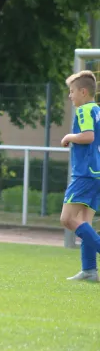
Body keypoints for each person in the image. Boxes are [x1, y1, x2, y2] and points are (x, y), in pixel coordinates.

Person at [59, 70, 100, 282]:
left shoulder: (84, 110)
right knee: (85, 221)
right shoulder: (98, 111)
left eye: (72, 91)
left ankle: (90, 268)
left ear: (83, 92)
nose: (70, 96)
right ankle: (90, 270)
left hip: (84, 173)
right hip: (97, 173)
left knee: (67, 219)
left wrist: (69, 136)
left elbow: (88, 137)